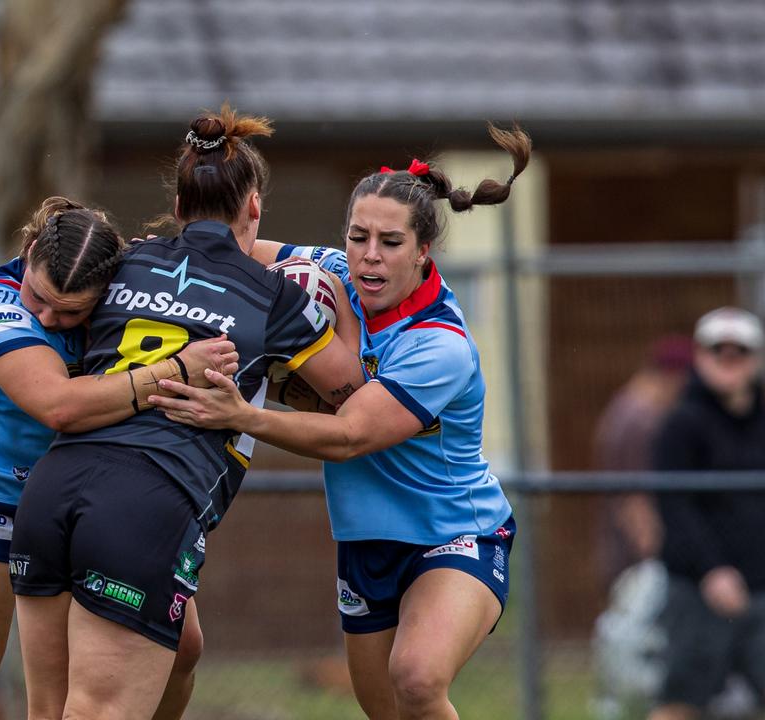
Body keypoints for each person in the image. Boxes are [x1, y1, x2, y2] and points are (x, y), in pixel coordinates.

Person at [151, 125, 532, 720]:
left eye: (389, 241)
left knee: (417, 679)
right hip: (364, 543)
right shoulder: (333, 273)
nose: (369, 255)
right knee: (383, 708)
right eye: (358, 237)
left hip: (456, 534)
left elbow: (351, 435)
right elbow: (227, 247)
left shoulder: (439, 345)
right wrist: (130, 268)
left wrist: (244, 413)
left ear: (422, 252)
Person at [10, 105, 364, 720]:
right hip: (147, 503)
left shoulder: (125, 261)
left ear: (176, 206)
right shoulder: (273, 296)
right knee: (97, 711)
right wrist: (342, 303)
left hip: (51, 493)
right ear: (254, 206)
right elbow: (351, 394)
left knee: (145, 665)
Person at [0, 196, 238, 720]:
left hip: (75, 497)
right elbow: (57, 406)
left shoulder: (130, 288)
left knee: (182, 647)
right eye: (39, 297)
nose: (46, 316)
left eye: (70, 311)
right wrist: (175, 369)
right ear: (30, 249)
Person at [649, 307, 765, 720]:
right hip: (699, 594)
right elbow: (675, 508)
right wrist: (712, 569)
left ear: (756, 360)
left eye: (740, 352)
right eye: (718, 352)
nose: (729, 361)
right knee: (680, 705)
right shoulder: (681, 425)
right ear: (700, 358)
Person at [592, 335, 692, 586]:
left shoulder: (623, 406)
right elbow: (634, 498)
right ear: (674, 377)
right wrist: (652, 557)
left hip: (619, 547)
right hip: (634, 555)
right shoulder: (642, 420)